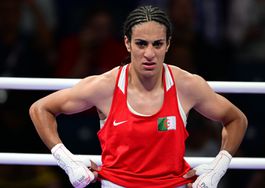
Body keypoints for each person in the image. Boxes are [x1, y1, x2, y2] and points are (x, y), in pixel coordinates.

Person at [29, 5, 248, 188]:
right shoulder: (106, 86)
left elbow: (236, 119)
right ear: (127, 43)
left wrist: (218, 168)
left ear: (168, 44)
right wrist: (67, 161)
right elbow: (40, 109)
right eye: (141, 43)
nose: (149, 54)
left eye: (157, 44)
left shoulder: (186, 85)